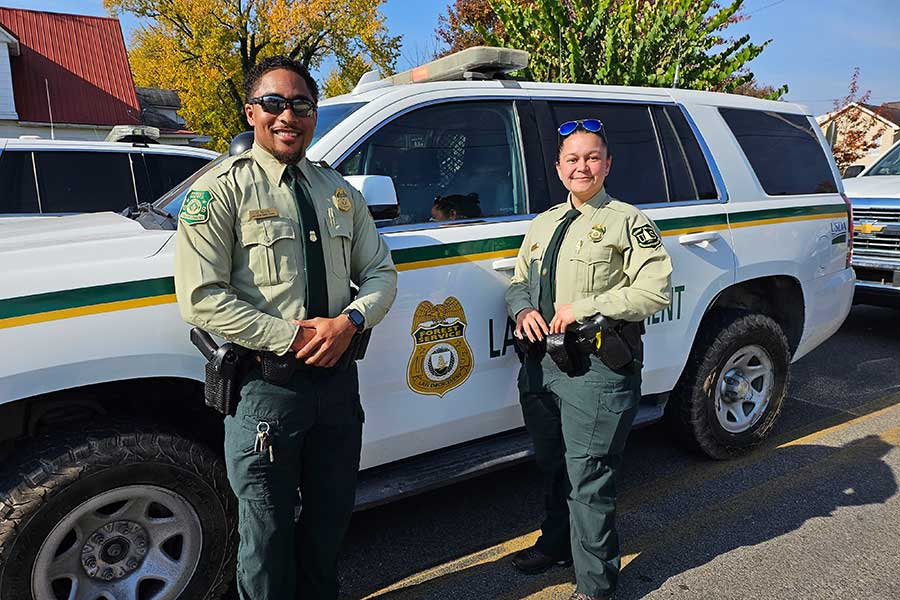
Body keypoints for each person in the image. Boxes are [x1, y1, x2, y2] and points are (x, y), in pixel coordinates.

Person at [174, 56, 397, 599]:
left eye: (300, 105)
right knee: (267, 537)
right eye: (273, 104)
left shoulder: (337, 190)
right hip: (267, 392)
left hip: (339, 388)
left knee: (330, 518)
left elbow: (381, 273)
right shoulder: (220, 192)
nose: (287, 116)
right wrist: (293, 337)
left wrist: (350, 321)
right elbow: (201, 299)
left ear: (313, 114)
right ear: (251, 112)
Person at [505, 119, 672, 600]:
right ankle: (558, 544)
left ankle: (596, 585)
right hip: (541, 365)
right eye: (572, 159)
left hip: (597, 367)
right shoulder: (543, 222)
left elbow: (654, 290)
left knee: (589, 477)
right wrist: (524, 308)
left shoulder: (628, 221)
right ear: (559, 169)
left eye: (592, 157)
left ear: (607, 164)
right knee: (553, 464)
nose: (582, 166)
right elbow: (519, 280)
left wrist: (586, 307)